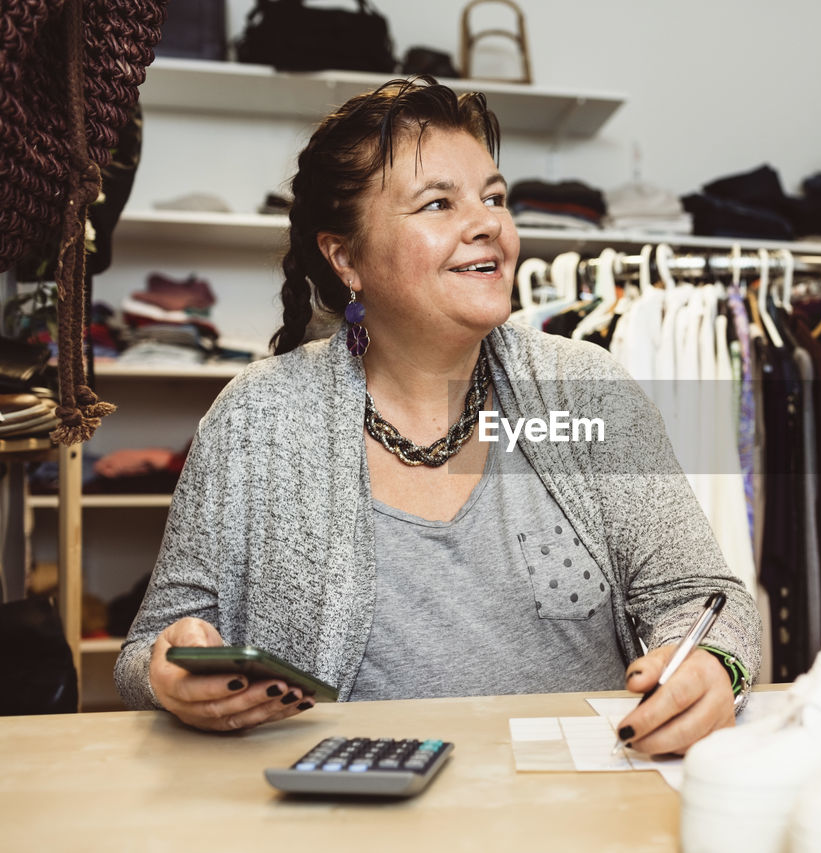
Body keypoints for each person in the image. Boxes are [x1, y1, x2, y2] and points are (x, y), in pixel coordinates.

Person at [114, 79, 761, 756]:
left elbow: (707, 598)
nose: (488, 223)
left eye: (495, 197)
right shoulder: (256, 417)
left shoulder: (584, 392)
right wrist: (169, 677)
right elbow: (144, 653)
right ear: (345, 257)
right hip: (335, 817)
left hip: (569, 813)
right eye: (438, 203)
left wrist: (718, 664)